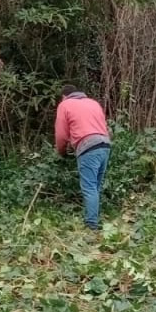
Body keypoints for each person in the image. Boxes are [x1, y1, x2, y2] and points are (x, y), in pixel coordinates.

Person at [55, 85, 112, 230]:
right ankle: (93, 217)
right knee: (96, 186)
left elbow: (61, 134)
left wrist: (61, 151)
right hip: (104, 144)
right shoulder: (93, 103)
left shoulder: (65, 105)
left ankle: (91, 224)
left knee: (89, 187)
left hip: (87, 146)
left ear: (64, 96)